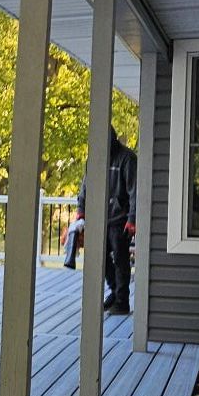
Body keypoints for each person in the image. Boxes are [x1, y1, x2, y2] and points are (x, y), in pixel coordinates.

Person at [76, 130, 137, 315]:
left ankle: (122, 302)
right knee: (99, 257)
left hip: (120, 220)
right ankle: (115, 292)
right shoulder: (94, 159)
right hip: (98, 218)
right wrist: (81, 211)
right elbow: (85, 187)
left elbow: (135, 191)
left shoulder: (127, 159)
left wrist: (132, 219)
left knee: (121, 260)